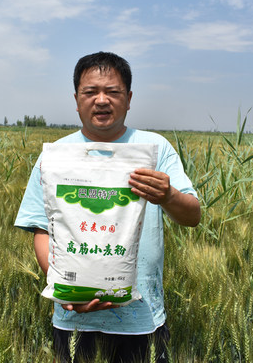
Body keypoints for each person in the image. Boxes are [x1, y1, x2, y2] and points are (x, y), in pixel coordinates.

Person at [15, 52, 201, 362]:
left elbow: (192, 216)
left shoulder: (154, 150)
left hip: (142, 321)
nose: (102, 100)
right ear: (76, 99)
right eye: (90, 92)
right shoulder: (56, 155)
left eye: (112, 92)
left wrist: (167, 195)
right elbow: (41, 230)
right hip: (74, 321)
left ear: (128, 99)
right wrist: (65, 291)